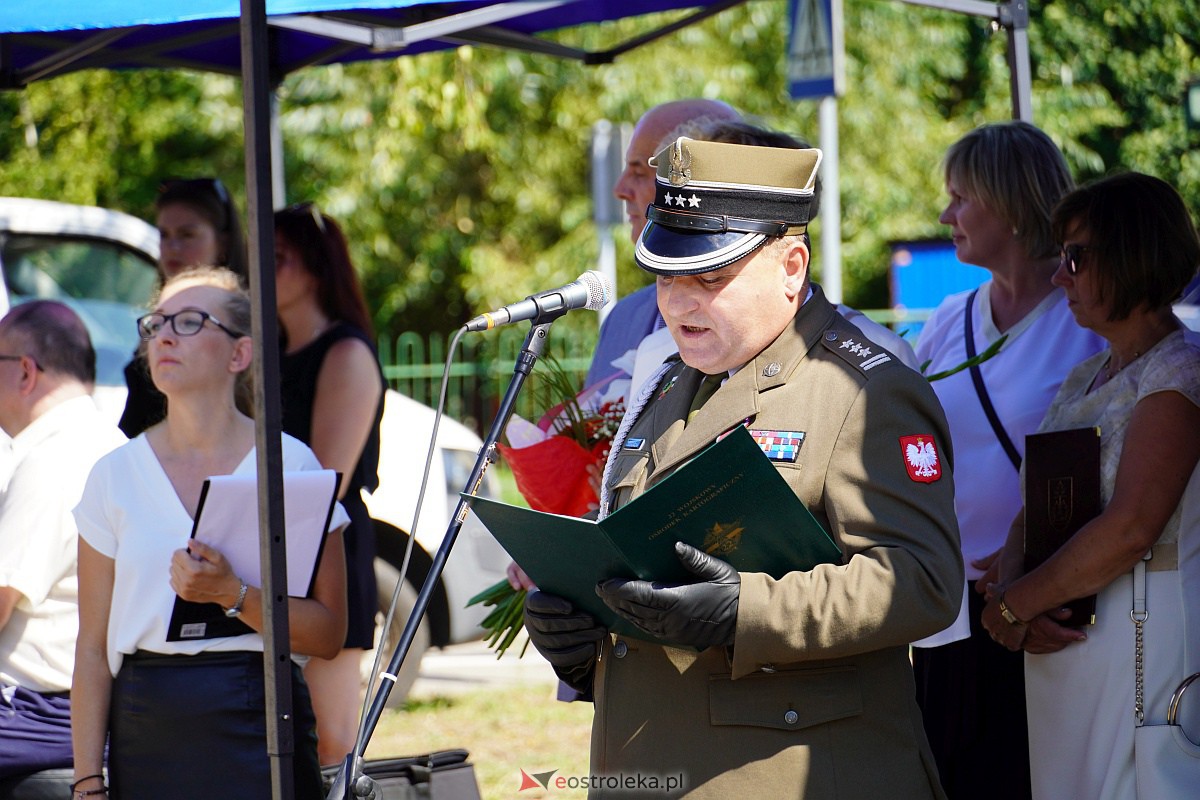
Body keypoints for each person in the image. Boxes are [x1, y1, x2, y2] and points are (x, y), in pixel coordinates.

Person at [524, 137, 963, 798]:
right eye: (665, 276)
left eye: (709, 278)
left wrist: (745, 612)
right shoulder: (672, 381)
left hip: (790, 774)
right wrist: (580, 629)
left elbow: (923, 580)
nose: (677, 303)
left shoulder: (862, 390)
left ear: (791, 266)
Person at [71, 267, 349, 800]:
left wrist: (233, 595)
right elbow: (90, 647)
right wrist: (87, 780)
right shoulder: (114, 474)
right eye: (156, 324)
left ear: (239, 354)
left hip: (262, 715)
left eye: (191, 321)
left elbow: (329, 633)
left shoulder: (290, 464)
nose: (165, 336)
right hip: (145, 722)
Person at [981, 172, 1200, 799]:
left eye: (1075, 258)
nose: (1059, 277)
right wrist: (1013, 595)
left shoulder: (1180, 370)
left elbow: (1132, 528)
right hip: (1069, 637)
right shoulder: (1086, 375)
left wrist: (1016, 605)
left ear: (1134, 253)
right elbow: (1033, 506)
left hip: (1139, 639)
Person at [910, 121, 1105, 799]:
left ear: (1012, 203)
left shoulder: (1083, 321)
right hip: (946, 612)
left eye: (962, 197)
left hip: (1047, 612)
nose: (946, 215)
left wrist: (1038, 559)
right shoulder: (949, 315)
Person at [274, 203, 385, 767]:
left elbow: (325, 483)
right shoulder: (266, 354)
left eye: (277, 259)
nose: (261, 275)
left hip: (325, 550)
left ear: (315, 267)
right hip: (273, 548)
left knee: (330, 739)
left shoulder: (344, 351)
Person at [0, 301, 125, 780]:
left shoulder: (52, 458)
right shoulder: (109, 444)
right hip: (74, 705)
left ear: (26, 372)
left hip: (36, 712)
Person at [118, 177, 248, 437]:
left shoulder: (250, 317)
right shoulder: (153, 316)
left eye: (187, 235)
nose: (172, 247)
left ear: (222, 242)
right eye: (164, 235)